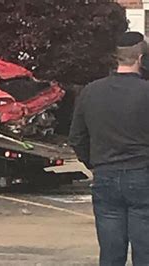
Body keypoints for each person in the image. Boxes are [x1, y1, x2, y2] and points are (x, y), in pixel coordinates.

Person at [69, 31, 149, 265]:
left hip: (104, 174)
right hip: (142, 174)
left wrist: (94, 163)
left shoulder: (90, 91)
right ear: (141, 60)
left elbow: (77, 137)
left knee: (111, 251)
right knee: (145, 250)